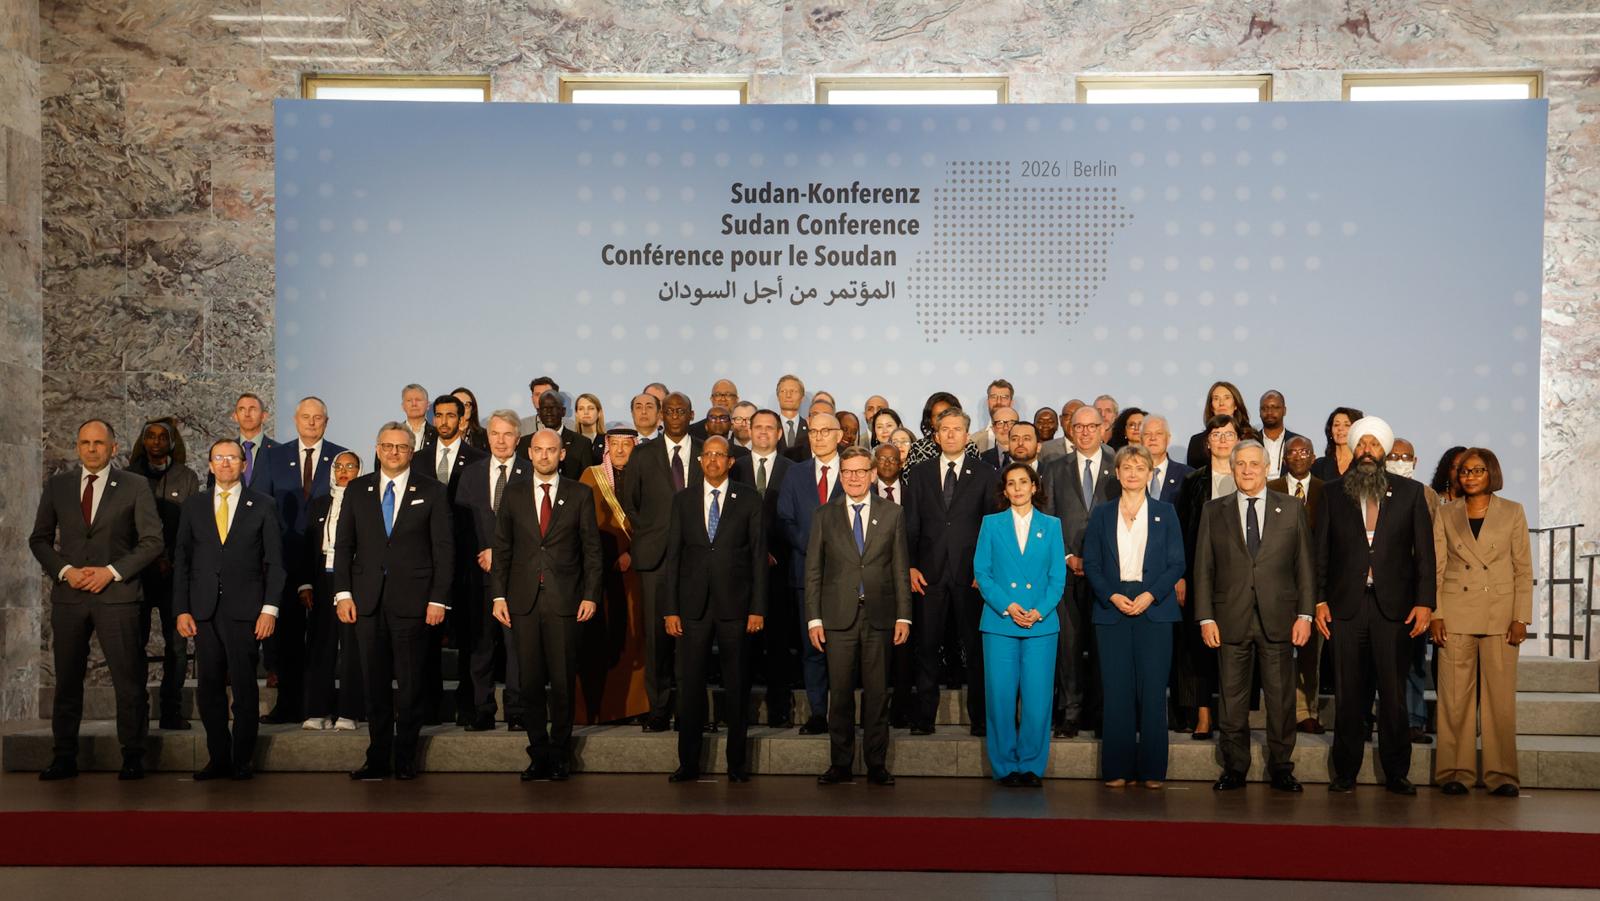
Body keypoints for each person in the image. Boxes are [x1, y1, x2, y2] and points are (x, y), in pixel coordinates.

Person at [30, 419, 164, 781]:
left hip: (118, 597)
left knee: (129, 681)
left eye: (99, 443)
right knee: (68, 680)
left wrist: (112, 572)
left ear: (113, 448)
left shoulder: (135, 486)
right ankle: (63, 756)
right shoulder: (58, 486)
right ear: (77, 447)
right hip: (70, 598)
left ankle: (134, 754)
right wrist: (65, 570)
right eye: (85, 442)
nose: (92, 449)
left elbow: (153, 541)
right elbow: (39, 539)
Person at [1314, 416, 1435, 795]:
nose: (1367, 450)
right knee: (1349, 695)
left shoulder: (1411, 493)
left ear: (1384, 451)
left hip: (1394, 609)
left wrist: (1425, 603)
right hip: (1345, 608)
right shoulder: (1332, 492)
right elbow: (1320, 553)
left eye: (1374, 445)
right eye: (1361, 444)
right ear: (1353, 449)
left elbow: (1425, 557)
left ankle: (1397, 772)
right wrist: (1318, 599)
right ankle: (1345, 772)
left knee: (1394, 694)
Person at [1194, 440, 1315, 793]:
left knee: (1280, 701)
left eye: (1254, 464)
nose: (1247, 470)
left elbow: (1305, 567)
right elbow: (1203, 568)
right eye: (1241, 464)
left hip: (1279, 619)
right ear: (1232, 470)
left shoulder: (1292, 509)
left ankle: (1281, 767)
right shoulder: (1213, 511)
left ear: (1267, 469)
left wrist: (1305, 615)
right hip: (1230, 619)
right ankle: (1234, 768)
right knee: (1232, 702)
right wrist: (1206, 618)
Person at [335, 423, 453, 781]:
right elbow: (344, 546)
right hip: (367, 602)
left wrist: (438, 599)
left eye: (401, 447)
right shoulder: (357, 489)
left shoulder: (432, 491)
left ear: (412, 450)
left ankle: (405, 757)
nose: (393, 452)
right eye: (387, 446)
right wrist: (343, 593)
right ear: (377, 447)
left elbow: (443, 550)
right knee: (374, 685)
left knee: (411, 683)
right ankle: (377, 757)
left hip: (413, 602)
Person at [491, 429, 602, 782]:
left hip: (566, 601)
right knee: (530, 682)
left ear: (562, 454)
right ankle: (538, 754)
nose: (543, 455)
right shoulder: (512, 494)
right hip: (522, 602)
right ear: (529, 452)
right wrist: (497, 596)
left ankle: (560, 754)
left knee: (563, 680)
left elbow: (592, 552)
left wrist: (590, 594)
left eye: (550, 450)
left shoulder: (580, 494)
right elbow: (502, 549)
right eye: (537, 450)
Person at [173, 439, 285, 781]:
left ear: (243, 464)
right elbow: (182, 561)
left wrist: (270, 609)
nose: (225, 463)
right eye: (219, 458)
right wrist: (181, 609)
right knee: (208, 688)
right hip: (203, 610)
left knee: (244, 687)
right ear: (209, 464)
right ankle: (218, 757)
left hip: (246, 611)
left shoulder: (263, 505)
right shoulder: (193, 506)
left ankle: (241, 759)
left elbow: (276, 563)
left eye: (232, 458)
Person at [661, 436, 765, 782]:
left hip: (736, 606)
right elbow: (673, 557)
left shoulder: (749, 499)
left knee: (736, 686)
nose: (713, 460)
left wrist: (757, 608)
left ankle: (737, 764)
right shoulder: (684, 499)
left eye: (720, 455)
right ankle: (688, 763)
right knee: (689, 686)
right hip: (691, 608)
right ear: (700, 460)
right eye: (708, 455)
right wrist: (671, 608)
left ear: (730, 462)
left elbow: (757, 558)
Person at [1431, 448, 1532, 797]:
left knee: (1499, 700)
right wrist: (1436, 613)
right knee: (1454, 699)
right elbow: (1437, 568)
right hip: (1456, 612)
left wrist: (1521, 617)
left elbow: (1523, 569)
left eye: (1478, 470)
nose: (1470, 476)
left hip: (1501, 615)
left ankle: (1501, 774)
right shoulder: (1445, 514)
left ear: (1492, 474)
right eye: (1465, 471)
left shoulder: (1513, 512)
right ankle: (1453, 772)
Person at [809, 446, 913, 786]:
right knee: (838, 694)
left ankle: (876, 764)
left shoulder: (893, 513)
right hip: (837, 619)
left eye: (859, 471)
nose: (854, 478)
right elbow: (814, 572)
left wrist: (904, 616)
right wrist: (814, 619)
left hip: (881, 617)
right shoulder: (824, 515)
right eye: (847, 472)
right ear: (841, 476)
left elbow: (900, 569)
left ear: (871, 474)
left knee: (878, 694)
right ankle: (840, 763)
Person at [1083, 444, 1185, 789]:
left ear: (1150, 474)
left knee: (1154, 691)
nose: (1132, 473)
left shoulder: (1165, 513)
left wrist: (1150, 594)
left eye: (1140, 468)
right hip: (1111, 607)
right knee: (1117, 691)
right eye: (1127, 467)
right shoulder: (1101, 514)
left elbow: (1176, 564)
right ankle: (1117, 768)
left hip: (1153, 606)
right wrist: (1111, 594)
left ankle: (1153, 770)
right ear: (1117, 471)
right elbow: (1092, 564)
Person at [904, 407, 1001, 735]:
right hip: (928, 574)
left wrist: (986, 571)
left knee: (975, 649)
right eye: (944, 429)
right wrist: (910, 564)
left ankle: (980, 719)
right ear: (935, 434)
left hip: (972, 575)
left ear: (966, 434)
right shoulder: (919, 473)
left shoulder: (986, 473)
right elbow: (910, 524)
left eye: (956, 429)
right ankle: (924, 718)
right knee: (927, 647)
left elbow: (992, 526)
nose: (949, 434)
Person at [254, 396, 349, 725]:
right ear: (295, 420)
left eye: (318, 417)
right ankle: (289, 704)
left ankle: (326, 705)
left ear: (327, 420)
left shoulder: (341, 456)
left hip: (328, 565)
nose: (311, 422)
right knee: (288, 636)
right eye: (305, 417)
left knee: (327, 638)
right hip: (285, 559)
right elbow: (261, 504)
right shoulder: (273, 456)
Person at [974, 463, 1066, 787]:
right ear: (1004, 490)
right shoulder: (991, 524)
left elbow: (1058, 577)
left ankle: (1030, 765)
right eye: (1011, 483)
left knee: (1038, 698)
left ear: (1034, 486)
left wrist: (1038, 611)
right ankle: (1004, 767)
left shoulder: (1052, 526)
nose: (1017, 488)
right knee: (1000, 697)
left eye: (1023, 482)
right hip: (1000, 622)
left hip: (1040, 625)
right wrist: (1008, 606)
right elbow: (982, 573)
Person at [621, 392, 702, 731]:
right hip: (654, 559)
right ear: (660, 416)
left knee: (690, 639)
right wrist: (653, 532)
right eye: (668, 411)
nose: (674, 416)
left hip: (697, 559)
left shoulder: (706, 451)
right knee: (656, 640)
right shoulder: (642, 454)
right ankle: (658, 709)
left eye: (680, 411)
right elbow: (630, 502)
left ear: (690, 414)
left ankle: (688, 709)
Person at [1042, 404, 1119, 738]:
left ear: (1103, 428)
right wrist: (1067, 556)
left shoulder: (1119, 466)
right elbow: (1047, 518)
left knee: (1104, 645)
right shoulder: (1054, 467)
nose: (1086, 431)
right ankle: (1071, 713)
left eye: (1092, 426)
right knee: (1070, 646)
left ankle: (1103, 714)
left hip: (1108, 573)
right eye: (1079, 426)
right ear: (1070, 430)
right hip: (1068, 571)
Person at [415, 395, 487, 726]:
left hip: (467, 559)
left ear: (462, 420)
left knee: (469, 636)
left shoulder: (478, 459)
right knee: (426, 639)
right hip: (425, 560)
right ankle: (428, 707)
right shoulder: (417, 459)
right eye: (439, 415)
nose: (444, 421)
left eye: (450, 416)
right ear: (432, 419)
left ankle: (468, 707)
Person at [458, 410, 532, 731]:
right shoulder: (471, 474)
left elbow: (535, 528)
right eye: (494, 434)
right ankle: (482, 710)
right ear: (487, 437)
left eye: (507, 434)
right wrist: (482, 553)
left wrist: (499, 554)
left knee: (517, 649)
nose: (500, 440)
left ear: (518, 438)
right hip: (479, 576)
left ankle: (516, 711)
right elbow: (462, 527)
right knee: (481, 646)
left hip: (518, 576)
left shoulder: (531, 473)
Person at [126, 416, 200, 730]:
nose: (156, 441)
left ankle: (171, 712)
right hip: (138, 575)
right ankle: (137, 713)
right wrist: (150, 557)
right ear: (143, 442)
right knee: (134, 646)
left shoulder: (187, 477)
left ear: (172, 442)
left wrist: (170, 558)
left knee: (177, 649)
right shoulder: (126, 477)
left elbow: (192, 525)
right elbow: (124, 528)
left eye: (162, 437)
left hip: (175, 576)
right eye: (150, 436)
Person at [776, 411, 846, 734]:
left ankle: (843, 713)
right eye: (813, 432)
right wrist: (815, 547)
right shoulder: (795, 473)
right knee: (812, 646)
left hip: (846, 575)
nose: (817, 437)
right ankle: (819, 712)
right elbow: (786, 520)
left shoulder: (853, 471)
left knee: (844, 648)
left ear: (839, 436)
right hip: (806, 573)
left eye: (824, 431)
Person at [1173, 413, 1242, 738]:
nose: (1223, 440)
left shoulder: (1250, 476)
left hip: (1240, 577)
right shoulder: (1193, 481)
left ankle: (1231, 716)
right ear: (1207, 442)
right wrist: (1182, 575)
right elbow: (1182, 531)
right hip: (1200, 573)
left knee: (1234, 647)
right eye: (1217, 435)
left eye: (1229, 434)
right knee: (1199, 648)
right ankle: (1202, 715)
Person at [575, 427, 650, 725]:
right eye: (614, 444)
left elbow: (657, 520)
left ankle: (633, 709)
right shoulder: (591, 476)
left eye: (626, 444)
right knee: (599, 640)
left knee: (634, 638)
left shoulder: (646, 475)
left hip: (636, 572)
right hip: (599, 574)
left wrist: (633, 553)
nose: (620, 450)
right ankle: (599, 710)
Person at [733, 410, 797, 726]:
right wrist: (753, 551)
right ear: (749, 430)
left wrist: (770, 551)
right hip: (741, 570)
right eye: (757, 427)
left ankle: (780, 708)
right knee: (743, 647)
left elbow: (794, 517)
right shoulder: (736, 467)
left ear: (778, 433)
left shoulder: (793, 470)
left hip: (779, 569)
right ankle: (741, 710)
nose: (762, 432)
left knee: (778, 644)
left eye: (769, 428)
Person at [299, 450, 365, 731]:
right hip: (322, 580)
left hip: (354, 582)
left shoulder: (366, 501)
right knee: (320, 646)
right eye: (340, 465)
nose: (344, 470)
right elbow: (307, 545)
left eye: (351, 465)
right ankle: (317, 710)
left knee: (352, 648)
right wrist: (305, 583)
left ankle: (350, 712)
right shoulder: (319, 503)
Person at [1268, 435, 1327, 733]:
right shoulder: (1270, 489)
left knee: (1310, 651)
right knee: (1277, 650)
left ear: (1313, 457)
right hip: (1277, 581)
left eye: (1304, 451)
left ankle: (1308, 710)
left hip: (1314, 582)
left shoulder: (1325, 491)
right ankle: (1280, 709)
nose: (1298, 456)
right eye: (1292, 452)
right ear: (1284, 459)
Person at [518, 391, 596, 480]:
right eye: (544, 408)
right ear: (538, 412)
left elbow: (588, 481)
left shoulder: (582, 443)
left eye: (553, 408)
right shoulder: (525, 443)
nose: (548, 412)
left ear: (563, 411)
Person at [1185, 381, 1253, 470]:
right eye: (1216, 398)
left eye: (1227, 398)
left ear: (1236, 404)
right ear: (1211, 406)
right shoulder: (1197, 442)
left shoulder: (1251, 438)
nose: (1221, 403)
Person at [905, 391, 977, 468]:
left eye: (947, 414)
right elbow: (908, 477)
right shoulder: (917, 448)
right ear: (930, 420)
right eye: (938, 415)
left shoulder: (969, 446)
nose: (943, 419)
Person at [1140, 414, 1191, 504]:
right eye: (1147, 434)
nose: (1153, 438)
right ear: (1141, 440)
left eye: (1159, 433)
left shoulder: (1188, 475)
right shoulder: (1130, 475)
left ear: (1168, 439)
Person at [230, 392, 277, 488]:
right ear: (235, 416)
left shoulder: (279, 452)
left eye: (252, 409)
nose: (247, 414)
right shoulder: (225, 452)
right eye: (242, 409)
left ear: (264, 416)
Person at [1310, 406, 1364, 482]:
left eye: (1347, 425)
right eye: (1336, 425)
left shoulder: (1364, 464)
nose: (1340, 429)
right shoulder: (1319, 465)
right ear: (1330, 431)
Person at [1257, 390, 1302, 480]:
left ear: (1284, 411)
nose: (1269, 412)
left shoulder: (1298, 442)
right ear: (1259, 412)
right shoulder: (1251, 441)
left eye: (1275, 407)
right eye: (1264, 408)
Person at [970, 379, 1016, 453]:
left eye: (1004, 397)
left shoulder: (1024, 437)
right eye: (994, 397)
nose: (998, 402)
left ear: (1011, 403)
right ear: (988, 402)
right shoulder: (974, 441)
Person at [774, 374, 809, 453]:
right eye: (783, 391)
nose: (788, 395)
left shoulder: (810, 427)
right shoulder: (771, 426)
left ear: (802, 397)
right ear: (777, 396)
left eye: (793, 391)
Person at [398, 383, 436, 452]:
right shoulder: (394, 433)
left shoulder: (437, 434)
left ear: (428, 405)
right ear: (403, 406)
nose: (414, 404)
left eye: (418, 400)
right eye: (409, 400)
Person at [452, 386, 490, 452]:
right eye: (457, 404)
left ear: (472, 409)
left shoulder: (485, 436)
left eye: (466, 405)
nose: (462, 408)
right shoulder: (436, 435)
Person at [574, 392, 607, 460]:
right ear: (576, 414)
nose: (586, 412)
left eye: (591, 408)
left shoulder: (607, 441)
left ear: (599, 413)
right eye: (581, 409)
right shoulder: (570, 441)